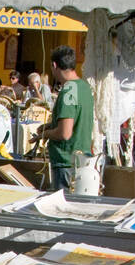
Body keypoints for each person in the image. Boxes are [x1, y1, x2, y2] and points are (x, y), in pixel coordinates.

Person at [37, 45, 94, 191]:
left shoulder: (69, 91)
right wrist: (51, 125)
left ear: (54, 65)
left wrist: (44, 134)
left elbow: (65, 133)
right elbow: (75, 121)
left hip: (67, 162)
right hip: (83, 160)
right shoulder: (84, 87)